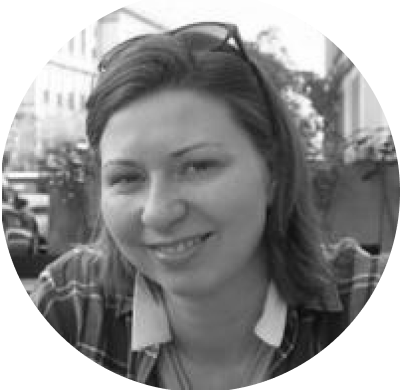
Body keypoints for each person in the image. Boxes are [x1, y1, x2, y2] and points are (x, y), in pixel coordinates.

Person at [30, 22, 385, 389]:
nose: (157, 212)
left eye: (197, 166)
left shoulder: (367, 300)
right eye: (127, 177)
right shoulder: (70, 307)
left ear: (273, 172)